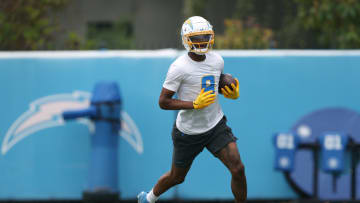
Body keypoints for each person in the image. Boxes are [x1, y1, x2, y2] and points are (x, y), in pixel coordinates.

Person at [137, 16, 247, 203]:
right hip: (188, 132)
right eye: (197, 38)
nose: (202, 41)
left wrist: (231, 93)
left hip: (215, 125)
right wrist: (193, 104)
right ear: (187, 39)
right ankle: (148, 198)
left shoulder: (217, 60)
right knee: (177, 177)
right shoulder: (178, 68)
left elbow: (213, 85)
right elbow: (163, 102)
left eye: (205, 36)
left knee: (238, 168)